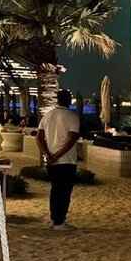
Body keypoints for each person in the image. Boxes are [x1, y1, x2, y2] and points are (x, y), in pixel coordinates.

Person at [36, 89, 80, 230]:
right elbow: (71, 139)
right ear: (69, 100)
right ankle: (60, 221)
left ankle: (55, 219)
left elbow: (39, 137)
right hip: (66, 161)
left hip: (52, 161)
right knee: (64, 192)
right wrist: (57, 155)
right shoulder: (72, 117)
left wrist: (47, 154)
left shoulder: (48, 115)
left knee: (55, 190)